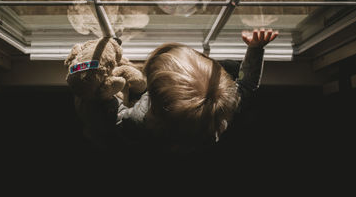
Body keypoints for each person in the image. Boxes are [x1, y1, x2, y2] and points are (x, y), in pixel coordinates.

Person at [114, 28, 279, 154]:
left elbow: (119, 116)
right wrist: (256, 48)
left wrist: (112, 92)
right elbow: (247, 84)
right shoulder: (227, 103)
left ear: (155, 98)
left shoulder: (139, 119)